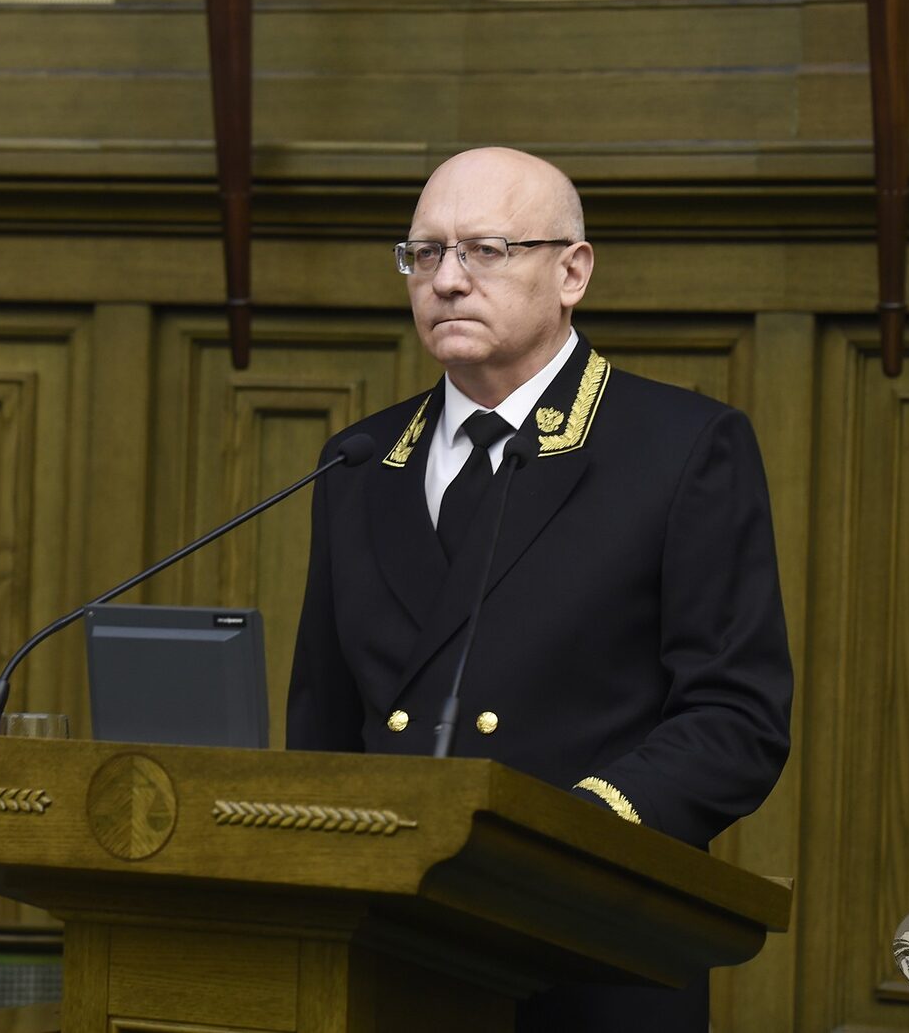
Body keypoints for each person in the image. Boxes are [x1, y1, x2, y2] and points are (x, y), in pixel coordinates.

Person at [286, 146, 793, 1031]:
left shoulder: (679, 447)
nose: (447, 280)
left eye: (486, 250)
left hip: (592, 950)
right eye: (425, 253)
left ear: (572, 272)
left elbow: (735, 718)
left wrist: (577, 832)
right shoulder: (361, 461)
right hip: (388, 952)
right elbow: (322, 726)